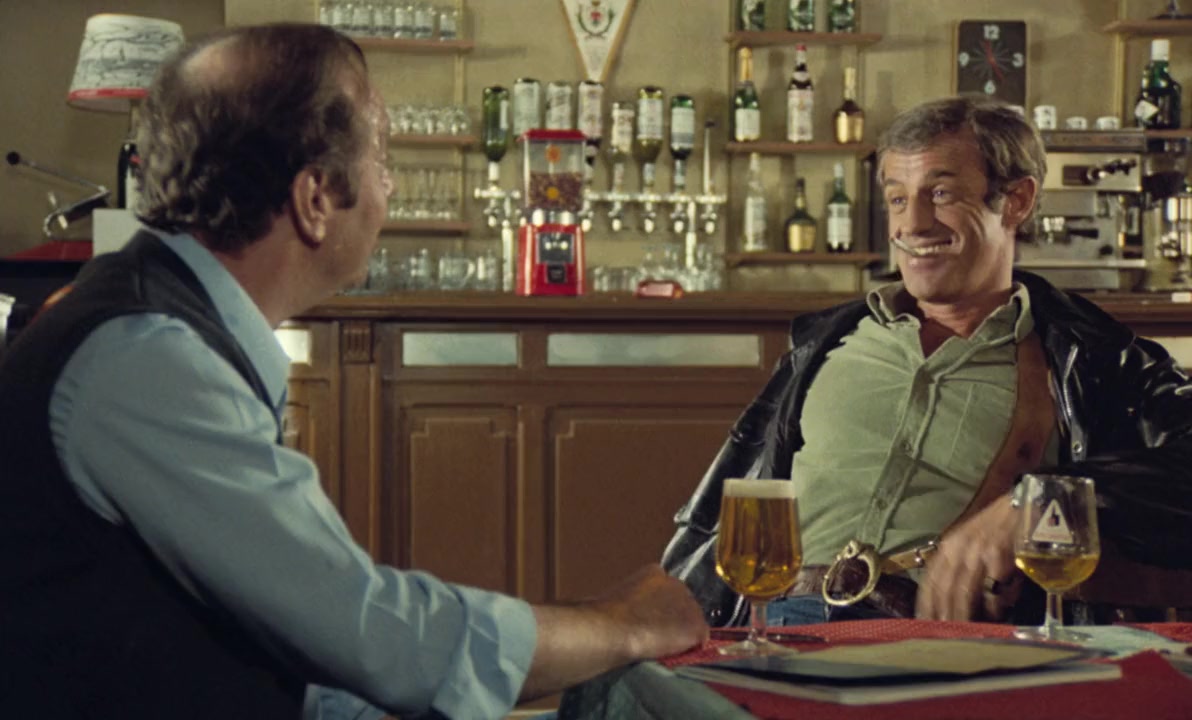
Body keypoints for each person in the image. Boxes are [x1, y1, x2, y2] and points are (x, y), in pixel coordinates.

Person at [0, 24, 707, 720]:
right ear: (315, 200)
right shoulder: (148, 357)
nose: (388, 188)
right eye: (382, 160)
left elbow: (301, 651)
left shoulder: (163, 328)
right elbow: (373, 636)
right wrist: (624, 624)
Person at [662, 95, 1192, 629]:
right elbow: (716, 528)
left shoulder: (1089, 357)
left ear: (1016, 201)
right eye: (897, 199)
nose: (911, 225)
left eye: (940, 194)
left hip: (936, 641)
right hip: (768, 626)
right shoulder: (822, 342)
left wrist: (1033, 505)